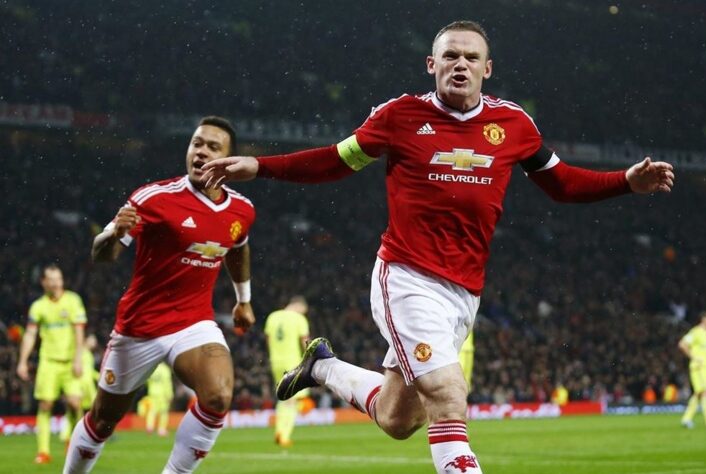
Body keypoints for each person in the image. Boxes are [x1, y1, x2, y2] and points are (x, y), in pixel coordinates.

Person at [202, 21, 674, 473]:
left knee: (398, 418)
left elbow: (562, 183)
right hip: (407, 278)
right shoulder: (400, 115)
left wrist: (624, 182)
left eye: (471, 57)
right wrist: (261, 166)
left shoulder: (513, 123)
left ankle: (323, 368)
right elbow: (336, 161)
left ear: (487, 68)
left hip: (464, 294)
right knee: (449, 395)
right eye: (450, 56)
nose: (460, 64)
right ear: (432, 64)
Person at [63, 116, 256, 474]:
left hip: (194, 323)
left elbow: (238, 247)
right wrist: (112, 235)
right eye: (197, 143)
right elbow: (102, 255)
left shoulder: (241, 210)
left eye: (213, 147)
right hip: (140, 327)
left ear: (229, 161)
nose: (201, 151)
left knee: (218, 395)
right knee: (102, 420)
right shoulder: (155, 198)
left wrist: (243, 299)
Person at [16, 264, 86, 464]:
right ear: (44, 282)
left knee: (75, 403)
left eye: (59, 279)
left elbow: (79, 331)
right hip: (48, 362)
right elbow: (30, 334)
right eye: (52, 279)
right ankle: (43, 451)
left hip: (70, 361)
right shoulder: (38, 306)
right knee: (45, 404)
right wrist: (22, 361)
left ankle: (73, 441)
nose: (56, 283)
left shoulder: (73, 300)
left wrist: (78, 358)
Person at [263, 296, 310, 448]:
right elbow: (305, 341)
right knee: (293, 400)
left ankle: (279, 430)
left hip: (275, 361)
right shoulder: (299, 319)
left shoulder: (272, 316)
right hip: (293, 361)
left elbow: (268, 340)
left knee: (283, 398)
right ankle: (284, 435)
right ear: (300, 306)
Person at [679, 311, 706, 429]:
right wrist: (694, 357)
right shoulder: (695, 332)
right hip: (698, 367)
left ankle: (686, 419)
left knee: (699, 393)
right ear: (704, 319)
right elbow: (682, 344)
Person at [61, 334, 100, 444]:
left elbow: (89, 371)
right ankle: (69, 434)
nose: (94, 343)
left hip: (88, 385)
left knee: (92, 409)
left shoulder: (88, 353)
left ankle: (93, 432)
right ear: (86, 340)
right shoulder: (80, 352)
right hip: (81, 384)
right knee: (76, 410)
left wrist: (99, 376)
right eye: (92, 340)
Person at [144, 362, 174, 436]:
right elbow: (167, 383)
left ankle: (149, 427)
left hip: (152, 392)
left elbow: (147, 380)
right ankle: (161, 429)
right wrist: (169, 395)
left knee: (152, 411)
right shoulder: (165, 369)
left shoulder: (152, 368)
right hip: (163, 394)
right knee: (163, 412)